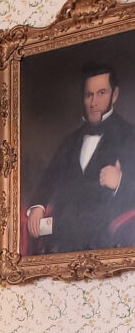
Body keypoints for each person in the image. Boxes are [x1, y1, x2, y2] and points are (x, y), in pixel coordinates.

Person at [26, 63, 135, 253]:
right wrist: (38, 206)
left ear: (114, 95)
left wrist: (119, 182)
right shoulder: (71, 140)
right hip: (63, 231)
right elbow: (50, 176)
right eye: (89, 95)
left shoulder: (130, 135)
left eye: (101, 93)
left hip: (107, 235)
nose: (94, 102)